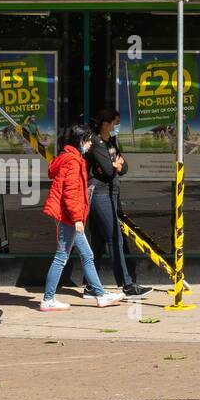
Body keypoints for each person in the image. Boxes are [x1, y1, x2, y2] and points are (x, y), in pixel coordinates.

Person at [39, 125, 124, 311]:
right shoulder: (73, 161)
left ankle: (101, 295)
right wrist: (77, 219)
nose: (89, 144)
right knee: (62, 257)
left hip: (67, 216)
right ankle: (48, 299)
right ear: (79, 142)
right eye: (87, 141)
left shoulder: (68, 158)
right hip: (69, 217)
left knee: (87, 255)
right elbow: (71, 193)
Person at [84, 107, 152, 300]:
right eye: (116, 123)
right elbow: (108, 169)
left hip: (111, 193)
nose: (117, 127)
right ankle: (127, 285)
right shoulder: (96, 143)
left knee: (98, 241)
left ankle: (90, 285)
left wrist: (118, 166)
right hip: (100, 195)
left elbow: (124, 167)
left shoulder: (110, 142)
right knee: (115, 237)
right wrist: (116, 166)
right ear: (106, 123)